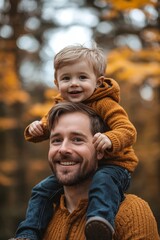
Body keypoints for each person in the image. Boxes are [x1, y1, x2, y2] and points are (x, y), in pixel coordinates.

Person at [16, 44, 139, 239]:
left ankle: (99, 221)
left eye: (82, 77)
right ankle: (28, 232)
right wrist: (35, 130)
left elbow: (128, 130)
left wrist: (109, 138)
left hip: (115, 165)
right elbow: (46, 127)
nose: (74, 83)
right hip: (85, 166)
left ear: (98, 82)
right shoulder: (60, 106)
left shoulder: (105, 103)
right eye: (66, 78)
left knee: (102, 180)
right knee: (41, 190)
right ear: (56, 83)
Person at [10, 102, 159, 240]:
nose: (63, 149)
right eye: (56, 140)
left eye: (77, 140)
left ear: (100, 151)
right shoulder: (41, 215)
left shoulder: (131, 213)